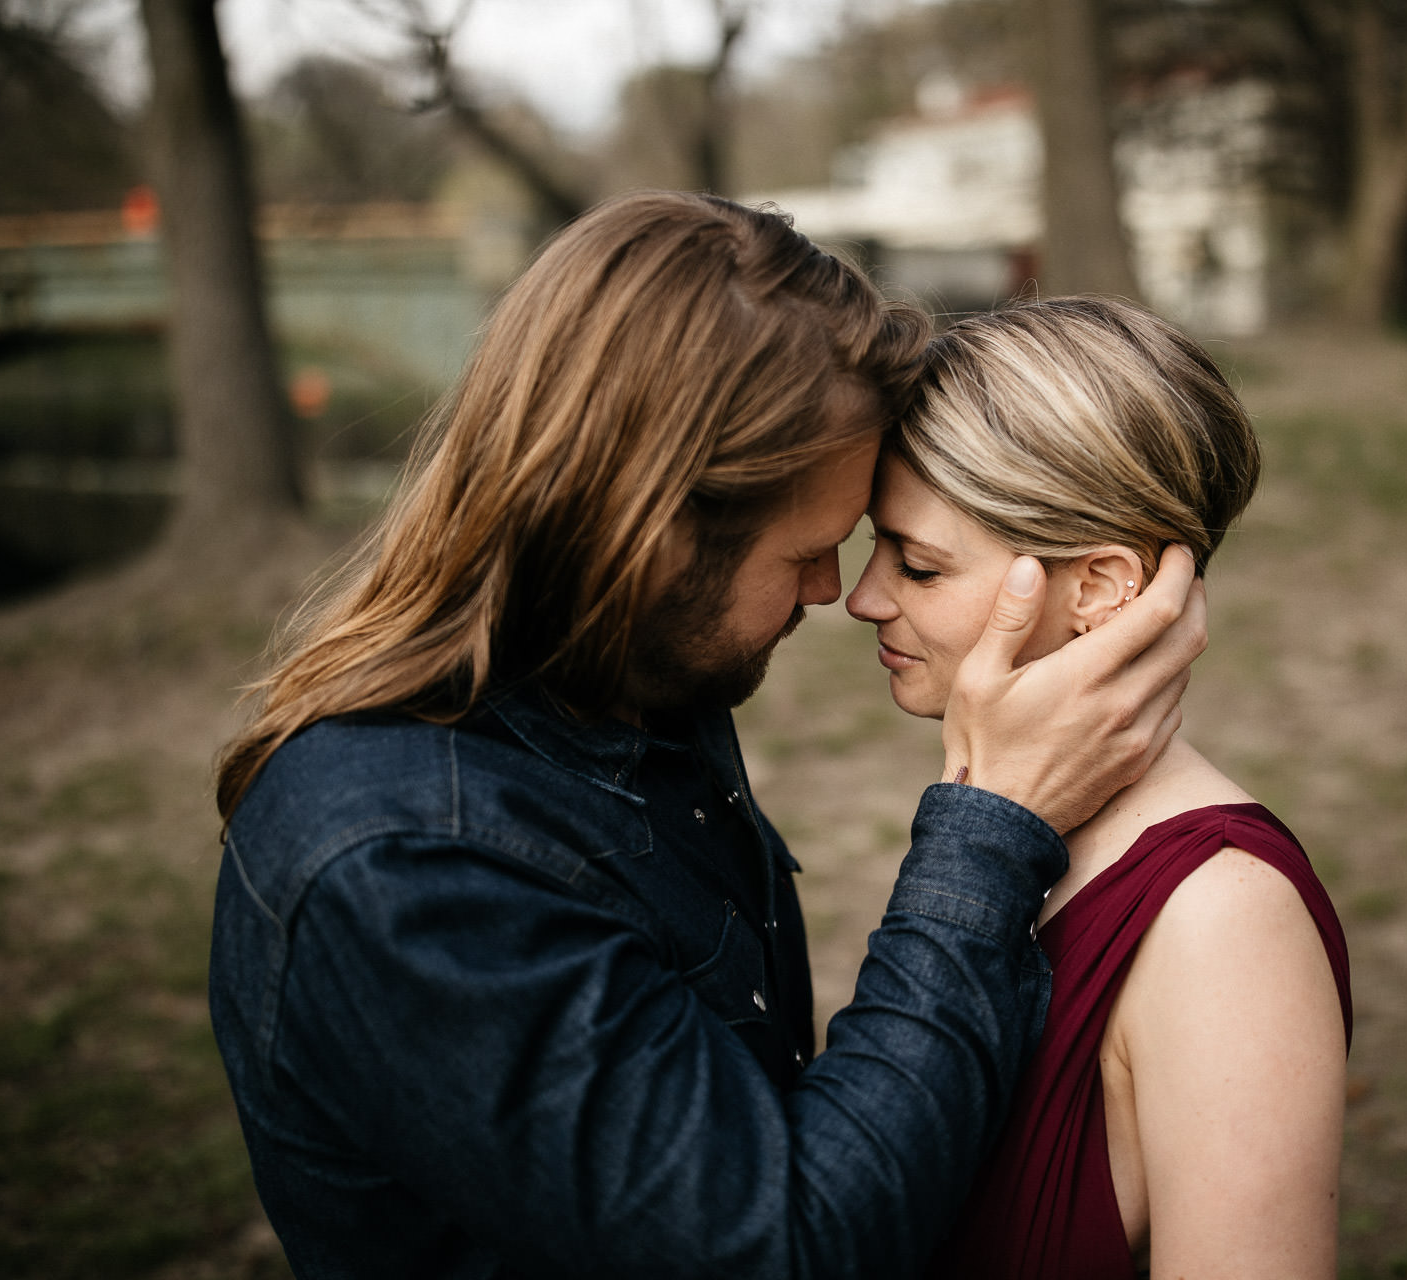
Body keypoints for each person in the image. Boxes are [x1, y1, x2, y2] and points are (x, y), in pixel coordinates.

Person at [206, 193, 1207, 1279]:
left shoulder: (631, 691)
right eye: (807, 550)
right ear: (651, 536)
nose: (834, 590)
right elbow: (785, 1244)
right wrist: (990, 831)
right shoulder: (405, 862)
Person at [845, 296, 1352, 1279]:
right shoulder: (990, 825)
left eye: (918, 562)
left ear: (1103, 587)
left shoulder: (1222, 924)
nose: (864, 596)